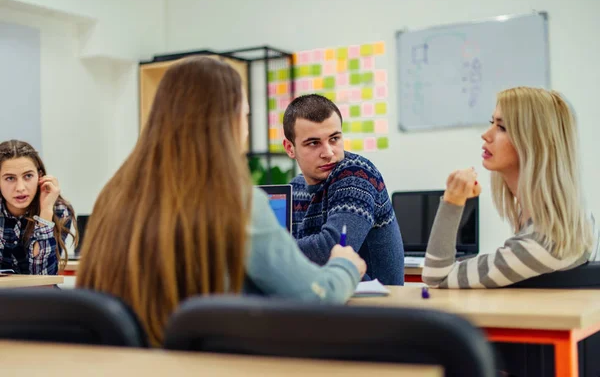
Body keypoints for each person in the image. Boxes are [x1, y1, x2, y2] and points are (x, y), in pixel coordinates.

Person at [76, 56, 366, 347]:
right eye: (246, 117)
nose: (247, 129)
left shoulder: (113, 195)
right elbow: (315, 296)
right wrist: (345, 266)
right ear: (229, 121)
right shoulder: (236, 203)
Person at [422, 87, 599, 288]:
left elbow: (436, 277)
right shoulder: (577, 221)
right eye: (492, 123)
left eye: (502, 128)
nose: (486, 135)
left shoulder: (541, 245)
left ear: (534, 144)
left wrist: (452, 201)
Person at [282, 94, 404, 285]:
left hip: (374, 308)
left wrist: (263, 251)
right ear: (290, 148)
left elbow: (330, 248)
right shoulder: (294, 188)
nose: (328, 153)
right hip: (322, 301)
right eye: (313, 143)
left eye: (334, 139)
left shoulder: (356, 173)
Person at [0, 140, 77, 274]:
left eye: (28, 176)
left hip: (41, 295)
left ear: (40, 176)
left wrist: (46, 211)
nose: (20, 188)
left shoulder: (58, 210)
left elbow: (43, 276)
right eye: (10, 178)